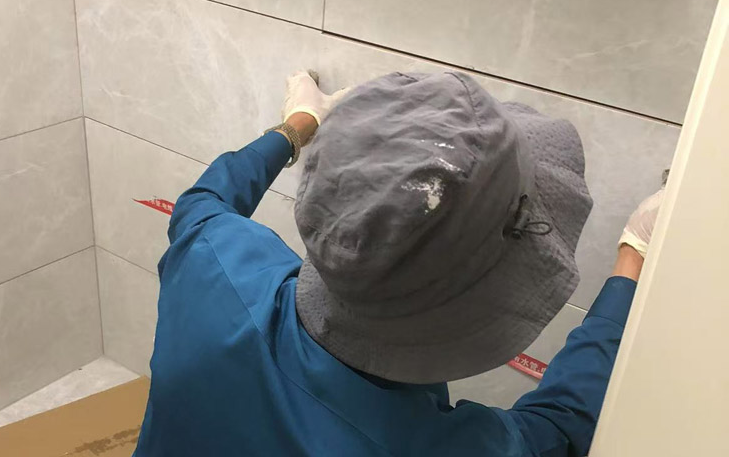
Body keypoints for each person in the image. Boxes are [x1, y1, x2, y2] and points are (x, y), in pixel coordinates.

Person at [133, 71, 662, 457]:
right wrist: (633, 254)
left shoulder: (211, 262)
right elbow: (562, 426)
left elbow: (203, 201)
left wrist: (297, 126)